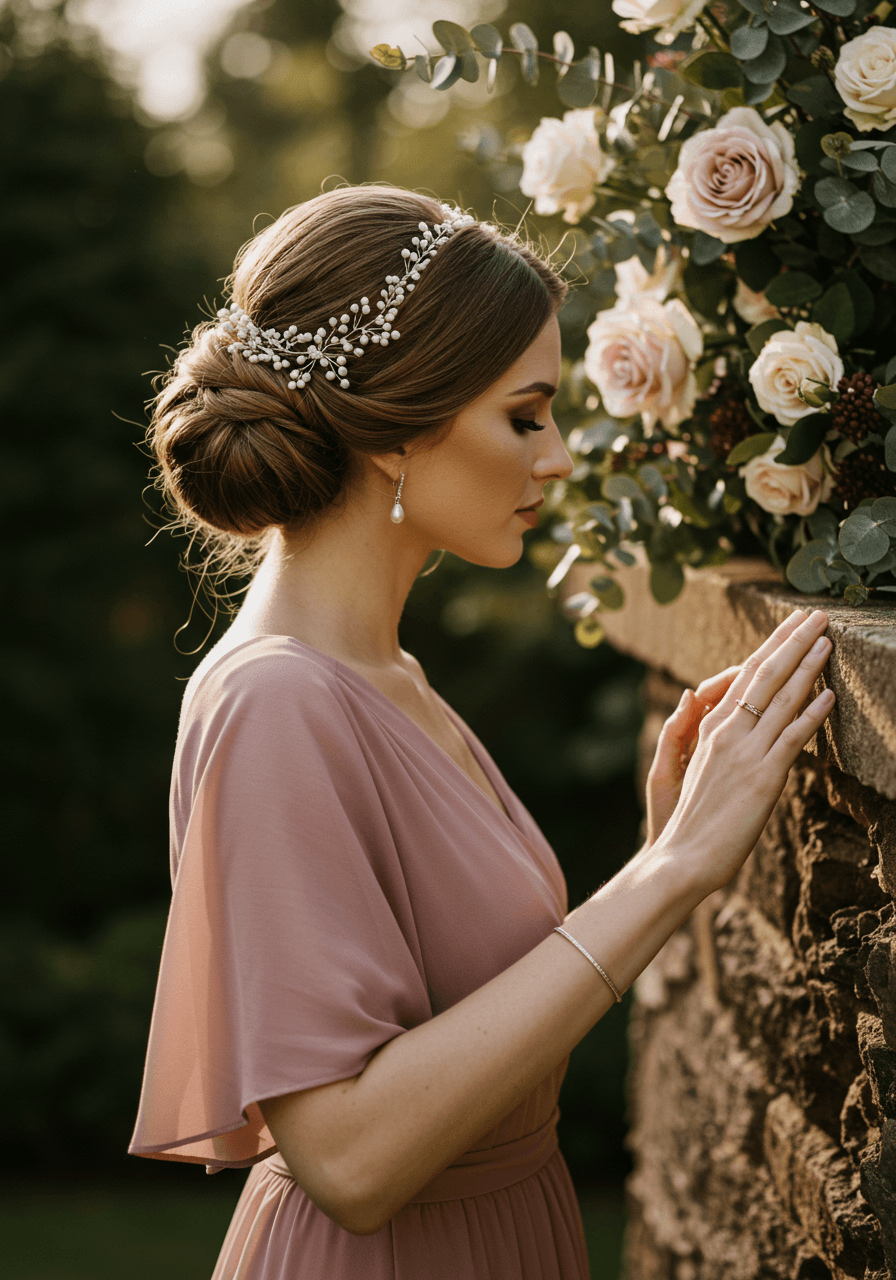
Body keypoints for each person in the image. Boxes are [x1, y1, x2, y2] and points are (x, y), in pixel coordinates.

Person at [128, 185, 836, 1280]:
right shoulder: (275, 701)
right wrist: (673, 873)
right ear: (397, 429)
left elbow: (486, 1014)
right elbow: (349, 1159)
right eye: (524, 415)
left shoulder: (388, 676)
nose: (556, 458)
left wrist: (659, 851)